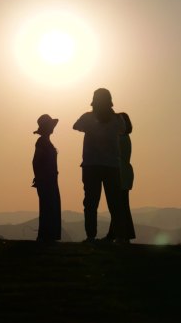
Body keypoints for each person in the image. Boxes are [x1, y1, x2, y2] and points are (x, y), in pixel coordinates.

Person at [73, 88, 128, 242]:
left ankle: (91, 236)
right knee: (114, 203)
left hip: (91, 165)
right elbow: (123, 131)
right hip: (112, 166)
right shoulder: (118, 119)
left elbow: (75, 126)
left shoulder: (87, 118)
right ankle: (118, 236)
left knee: (90, 202)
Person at [102, 112, 136, 243]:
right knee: (121, 205)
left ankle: (120, 235)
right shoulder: (125, 138)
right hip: (125, 173)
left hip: (120, 174)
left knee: (119, 206)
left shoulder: (120, 138)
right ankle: (118, 235)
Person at [32, 114, 61, 242]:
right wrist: (38, 177)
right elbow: (35, 161)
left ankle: (48, 235)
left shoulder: (45, 141)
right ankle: (46, 235)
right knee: (48, 206)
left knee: (50, 206)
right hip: (46, 179)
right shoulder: (42, 142)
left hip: (50, 178)